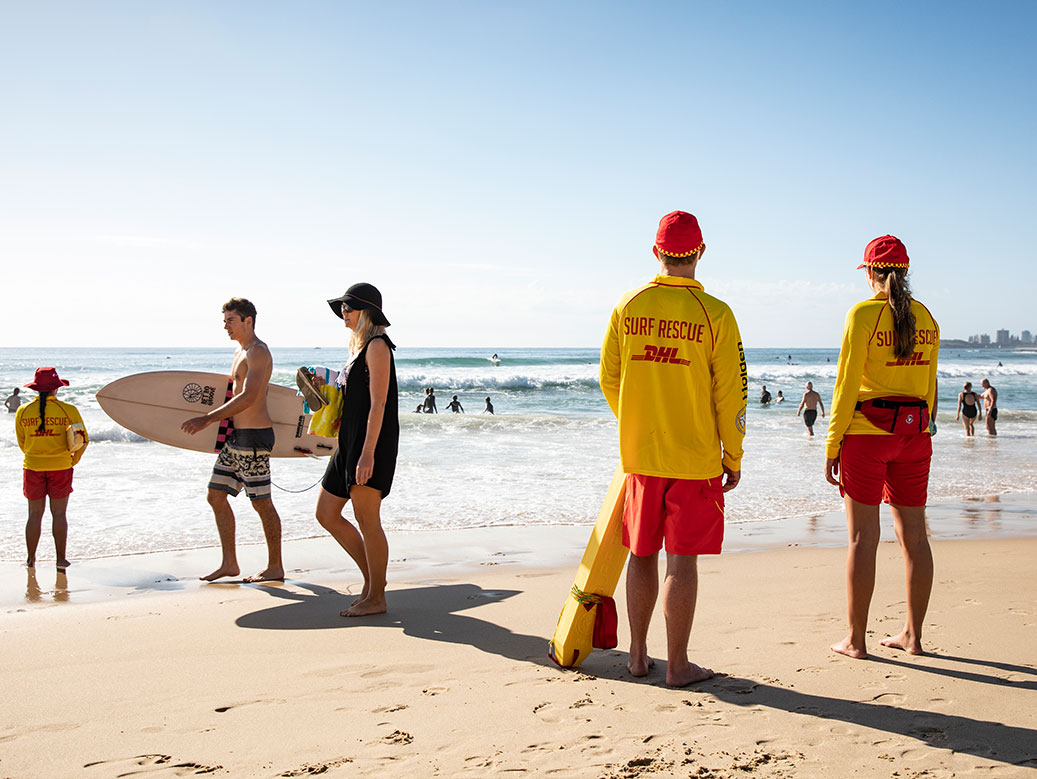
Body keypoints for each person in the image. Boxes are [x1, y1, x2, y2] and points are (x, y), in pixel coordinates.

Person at [600, 210, 746, 686]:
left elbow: (609, 378)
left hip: (642, 456)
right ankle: (678, 665)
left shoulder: (629, 304)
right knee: (682, 560)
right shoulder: (716, 314)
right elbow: (731, 393)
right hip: (695, 457)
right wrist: (733, 454)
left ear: (657, 252)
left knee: (641, 554)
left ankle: (638, 656)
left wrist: (638, 423)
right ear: (699, 252)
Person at [824, 235, 939, 660]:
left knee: (861, 539)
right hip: (915, 437)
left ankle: (856, 640)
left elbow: (846, 385)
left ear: (870, 272)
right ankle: (914, 636)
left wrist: (832, 443)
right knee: (916, 538)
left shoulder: (863, 314)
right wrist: (918, 433)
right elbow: (929, 390)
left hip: (866, 436)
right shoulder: (926, 317)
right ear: (905, 272)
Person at [181, 298, 284, 583]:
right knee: (215, 495)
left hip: (254, 439)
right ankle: (229, 563)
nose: (225, 326)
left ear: (248, 320)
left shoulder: (258, 352)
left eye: (230, 320)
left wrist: (207, 418)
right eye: (224, 320)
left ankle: (275, 566)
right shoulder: (240, 352)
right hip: (236, 437)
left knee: (262, 503)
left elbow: (249, 396)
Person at [315, 282, 399, 617]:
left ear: (365, 311)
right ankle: (372, 582)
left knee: (367, 519)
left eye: (347, 309)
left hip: (370, 445)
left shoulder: (378, 346)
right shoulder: (359, 348)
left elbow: (379, 404)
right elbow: (357, 401)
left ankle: (377, 596)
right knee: (326, 513)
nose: (343, 315)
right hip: (348, 443)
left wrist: (367, 454)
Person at [15, 367, 89, 571]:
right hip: (61, 468)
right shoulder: (69, 410)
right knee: (59, 514)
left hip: (32, 467)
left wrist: (36, 454)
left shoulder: (23, 411)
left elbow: (22, 442)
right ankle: (60, 559)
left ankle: (31, 559)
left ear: (37, 389)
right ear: (56, 389)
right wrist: (72, 460)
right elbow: (83, 440)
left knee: (34, 515)